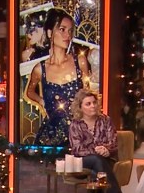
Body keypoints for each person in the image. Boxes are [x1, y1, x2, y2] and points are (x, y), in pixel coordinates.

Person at [22, 8, 92, 147]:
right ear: (50, 33)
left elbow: (87, 95)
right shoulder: (40, 68)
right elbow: (29, 92)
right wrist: (42, 101)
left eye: (70, 31)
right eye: (62, 29)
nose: (67, 35)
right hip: (50, 137)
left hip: (78, 136)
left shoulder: (80, 62)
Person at [68, 88, 126, 193]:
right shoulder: (75, 124)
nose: (93, 106)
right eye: (88, 104)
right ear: (80, 107)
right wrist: (97, 150)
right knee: (96, 158)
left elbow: (113, 143)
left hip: (105, 160)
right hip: (82, 161)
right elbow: (77, 149)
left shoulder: (105, 120)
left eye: (94, 102)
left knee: (96, 173)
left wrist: (107, 150)